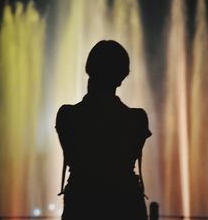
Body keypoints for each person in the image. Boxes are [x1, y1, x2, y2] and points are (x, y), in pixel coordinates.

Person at [55, 40, 152, 220]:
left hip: (82, 203)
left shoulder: (67, 116)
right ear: (123, 76)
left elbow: (71, 155)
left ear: (89, 69)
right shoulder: (137, 119)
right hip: (125, 204)